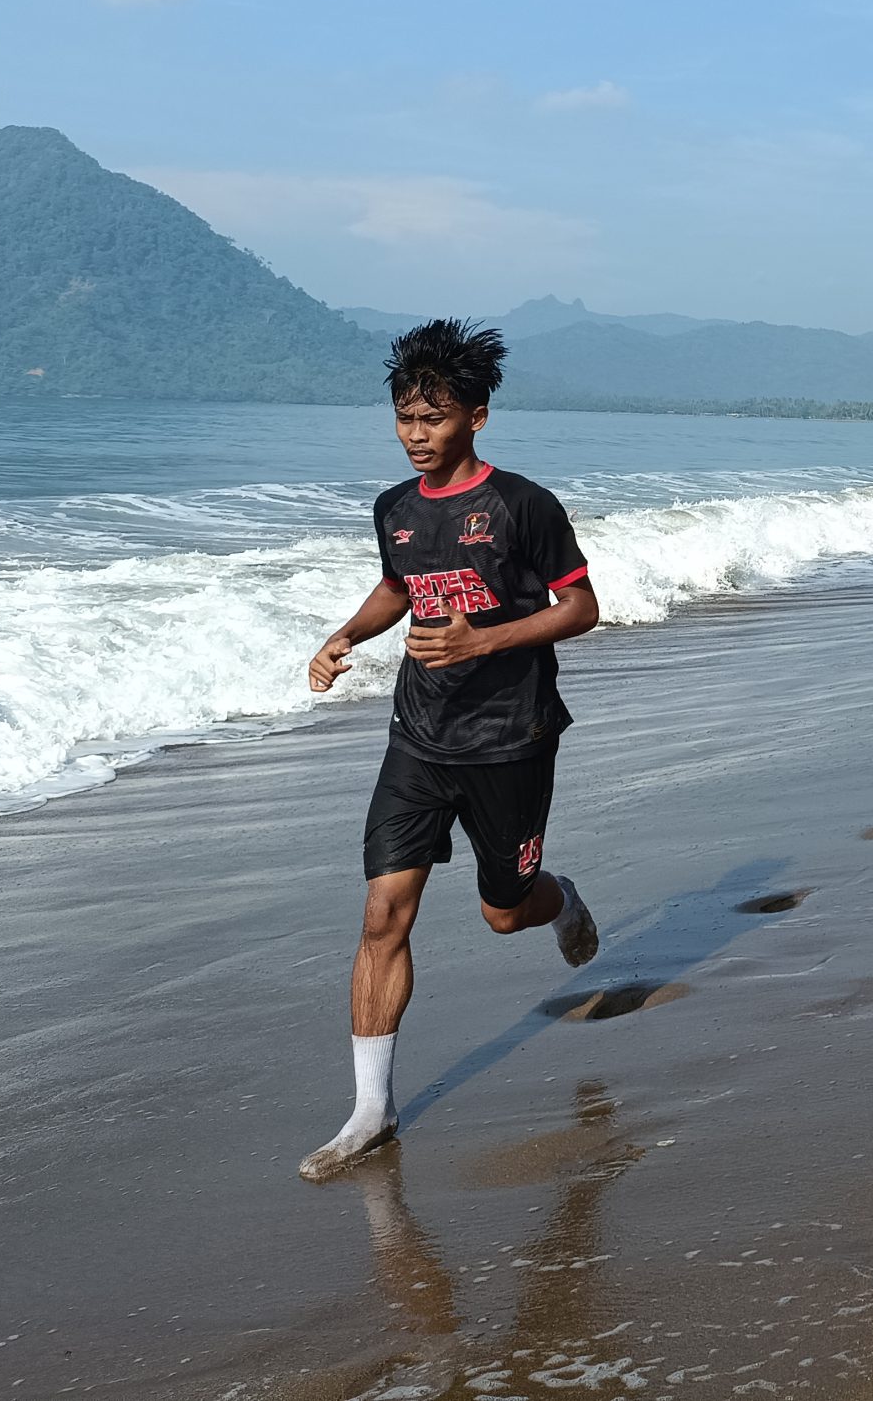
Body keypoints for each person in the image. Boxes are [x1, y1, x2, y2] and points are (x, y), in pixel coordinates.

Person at [299, 320, 603, 1183]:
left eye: (432, 418)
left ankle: (561, 897)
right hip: (418, 739)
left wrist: (485, 643)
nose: (415, 434)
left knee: (504, 913)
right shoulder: (394, 510)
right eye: (404, 418)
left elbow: (581, 610)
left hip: (512, 739)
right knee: (382, 914)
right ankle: (371, 1109)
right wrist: (345, 634)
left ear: (477, 416)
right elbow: (399, 588)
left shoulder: (523, 505)